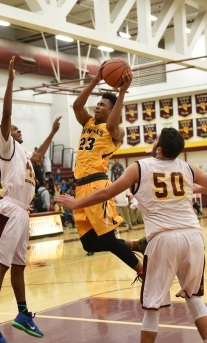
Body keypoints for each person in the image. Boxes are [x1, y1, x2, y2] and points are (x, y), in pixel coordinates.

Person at [56, 127, 207, 343]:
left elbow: (106, 192)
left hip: (163, 239)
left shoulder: (140, 166)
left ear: (158, 148)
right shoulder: (187, 168)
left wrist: (76, 203)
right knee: (193, 296)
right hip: (193, 236)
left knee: (152, 307)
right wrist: (188, 187)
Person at [0, 56, 60, 343]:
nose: (17, 130)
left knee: (19, 265)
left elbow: (37, 157)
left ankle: (23, 313)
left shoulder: (23, 154)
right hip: (9, 208)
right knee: (0, 264)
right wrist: (11, 81)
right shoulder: (7, 148)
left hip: (24, 213)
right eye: (13, 129)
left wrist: (52, 133)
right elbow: (7, 115)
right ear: (4, 135)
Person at [71, 63, 143, 275]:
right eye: (98, 104)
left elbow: (112, 125)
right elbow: (77, 106)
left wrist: (121, 93)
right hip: (80, 186)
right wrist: (95, 79)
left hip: (96, 184)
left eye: (102, 105)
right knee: (89, 244)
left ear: (112, 110)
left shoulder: (116, 131)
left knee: (109, 239)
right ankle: (135, 245)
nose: (97, 107)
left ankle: (143, 270)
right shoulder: (88, 123)